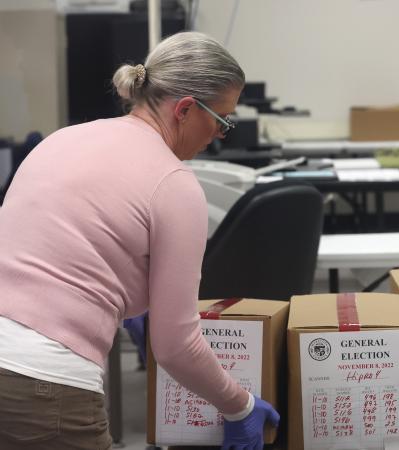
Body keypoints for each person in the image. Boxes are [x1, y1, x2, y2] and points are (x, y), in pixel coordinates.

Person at [0, 32, 278, 449]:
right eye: (221, 121)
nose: (219, 135)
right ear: (185, 109)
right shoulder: (174, 184)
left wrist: (130, 300)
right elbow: (175, 347)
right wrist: (239, 405)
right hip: (44, 382)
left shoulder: (64, 139)